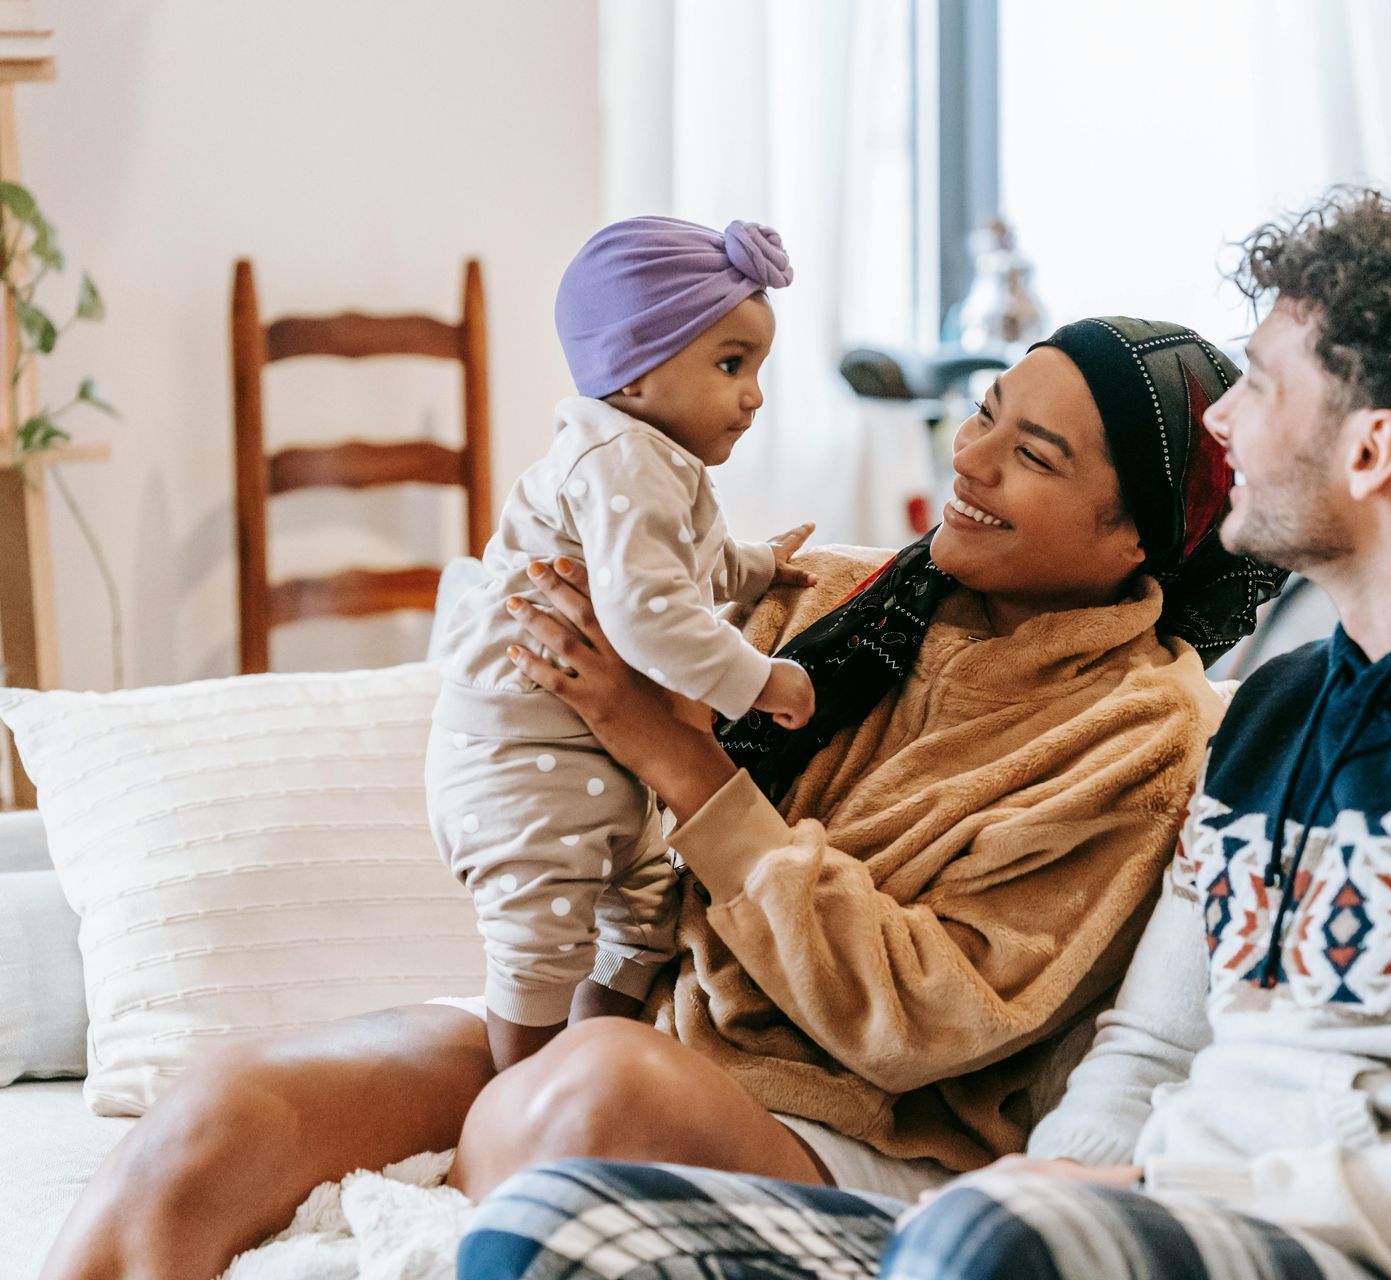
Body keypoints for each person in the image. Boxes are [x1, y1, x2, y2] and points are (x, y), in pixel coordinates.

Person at [458, 190, 1391, 1280]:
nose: (1225, 428)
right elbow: (1150, 1047)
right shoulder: (1284, 715)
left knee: (980, 1229)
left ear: (1372, 449)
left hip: (1298, 1242)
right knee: (549, 1225)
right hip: (1110, 1215)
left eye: (1260, 384)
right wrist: (1069, 1179)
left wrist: (1123, 1191)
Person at [41, 318, 1279, 1280]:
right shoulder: (843, 594)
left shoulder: (1146, 736)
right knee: (230, 1105)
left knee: (587, 1094)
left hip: (863, 1132)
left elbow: (926, 1016)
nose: (971, 457)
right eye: (988, 415)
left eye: (1033, 454)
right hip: (643, 1022)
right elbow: (587, 742)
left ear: (1141, 540)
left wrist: (687, 762)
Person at [430, 215, 817, 1074]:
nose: (754, 395)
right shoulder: (622, 461)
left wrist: (753, 570)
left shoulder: (654, 461)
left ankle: (586, 1056)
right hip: (519, 756)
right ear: (637, 371)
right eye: (731, 364)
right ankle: (517, 1091)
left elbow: (683, 569)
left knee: (646, 910)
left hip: (583, 757)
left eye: (757, 367)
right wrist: (761, 682)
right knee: (541, 936)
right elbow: (649, 617)